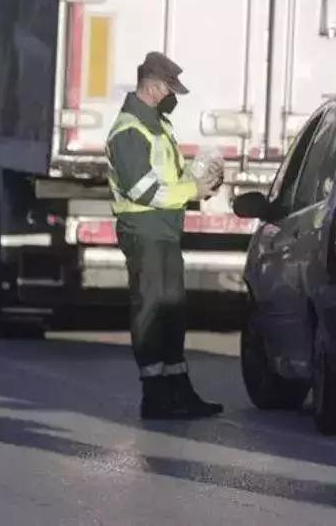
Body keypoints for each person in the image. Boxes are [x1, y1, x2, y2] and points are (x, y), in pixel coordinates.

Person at [106, 51, 226, 420]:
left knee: (172, 309)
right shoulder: (129, 131)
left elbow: (169, 178)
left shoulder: (160, 125)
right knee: (151, 309)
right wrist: (192, 191)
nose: (172, 96)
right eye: (169, 89)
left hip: (166, 231)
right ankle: (155, 394)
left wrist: (201, 176)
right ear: (154, 86)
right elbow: (145, 190)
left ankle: (179, 389)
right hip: (143, 231)